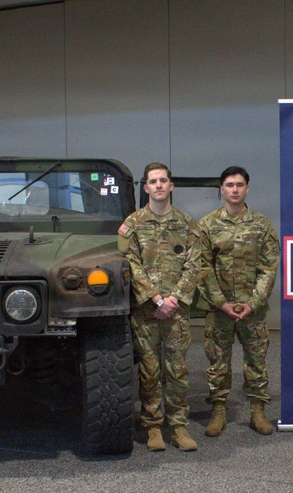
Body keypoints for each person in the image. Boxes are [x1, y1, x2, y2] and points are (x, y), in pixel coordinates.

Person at [117, 162, 203, 452]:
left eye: (163, 180)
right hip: (146, 311)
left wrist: (174, 299)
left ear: (171, 185)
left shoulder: (187, 224)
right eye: (152, 181)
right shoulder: (133, 224)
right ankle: (153, 427)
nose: (158, 186)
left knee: (177, 369)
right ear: (145, 187)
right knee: (150, 370)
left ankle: (178, 427)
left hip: (176, 311)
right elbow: (130, 264)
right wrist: (155, 299)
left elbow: (195, 264)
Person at [197, 166, 280, 437]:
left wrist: (253, 303)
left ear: (247, 188)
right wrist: (221, 302)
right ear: (221, 190)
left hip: (252, 310)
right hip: (219, 309)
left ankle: (257, 411)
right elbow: (202, 268)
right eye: (229, 185)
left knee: (256, 361)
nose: (234, 189)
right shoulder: (207, 225)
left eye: (240, 185)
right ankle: (218, 411)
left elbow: (269, 268)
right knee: (217, 361)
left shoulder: (262, 225)